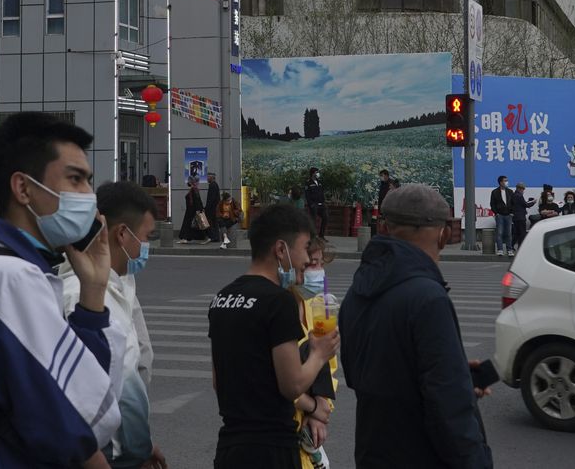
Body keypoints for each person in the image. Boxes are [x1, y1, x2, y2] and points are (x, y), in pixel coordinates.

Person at [0, 112, 125, 466]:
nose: (89, 196)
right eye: (76, 179)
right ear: (23, 188)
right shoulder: (10, 278)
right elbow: (83, 418)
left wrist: (94, 290)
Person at [339, 185, 493, 469]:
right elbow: (449, 408)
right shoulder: (428, 298)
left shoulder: (356, 292)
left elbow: (357, 372)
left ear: (383, 227)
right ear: (444, 233)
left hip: (373, 452)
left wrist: (453, 372)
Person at [208, 204, 340, 469]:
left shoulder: (222, 297)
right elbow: (291, 385)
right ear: (281, 250)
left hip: (231, 445)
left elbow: (218, 380)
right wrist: (318, 354)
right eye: (304, 249)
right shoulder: (279, 302)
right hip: (272, 447)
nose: (306, 259)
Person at [59, 181, 166, 469]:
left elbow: (140, 363)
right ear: (122, 234)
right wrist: (135, 450)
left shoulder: (123, 284)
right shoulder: (82, 295)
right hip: (104, 455)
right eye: (146, 236)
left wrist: (143, 442)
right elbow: (104, 391)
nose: (147, 246)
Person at [291, 240, 338, 469]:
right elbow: (282, 381)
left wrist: (321, 407)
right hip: (285, 427)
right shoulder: (279, 307)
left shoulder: (316, 305)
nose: (318, 271)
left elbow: (328, 366)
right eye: (311, 264)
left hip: (308, 427)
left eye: (320, 263)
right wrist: (312, 406)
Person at [489, 176, 513, 257]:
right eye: (505, 181)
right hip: (500, 215)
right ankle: (500, 250)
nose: (507, 182)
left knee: (508, 233)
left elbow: (513, 203)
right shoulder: (495, 192)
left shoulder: (510, 191)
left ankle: (509, 250)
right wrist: (496, 213)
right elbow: (492, 204)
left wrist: (512, 212)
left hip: (508, 215)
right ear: (500, 182)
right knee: (499, 233)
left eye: (507, 180)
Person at [178, 177, 204, 244]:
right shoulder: (195, 190)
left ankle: (185, 238)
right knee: (190, 224)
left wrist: (198, 210)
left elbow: (196, 201)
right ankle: (187, 237)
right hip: (192, 210)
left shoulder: (193, 190)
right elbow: (198, 201)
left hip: (191, 210)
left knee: (187, 224)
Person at [304, 169, 327, 240]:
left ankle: (321, 235)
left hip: (321, 204)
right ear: (313, 173)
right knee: (313, 220)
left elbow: (321, 192)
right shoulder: (308, 183)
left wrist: (323, 202)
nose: (318, 173)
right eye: (316, 172)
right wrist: (311, 204)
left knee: (326, 217)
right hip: (314, 204)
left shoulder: (319, 182)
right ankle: (313, 236)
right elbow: (307, 195)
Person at [511, 183, 534, 250]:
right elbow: (526, 205)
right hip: (521, 217)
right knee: (522, 233)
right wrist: (533, 202)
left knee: (516, 233)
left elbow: (519, 204)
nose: (523, 191)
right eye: (523, 189)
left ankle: (511, 246)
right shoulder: (519, 196)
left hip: (515, 217)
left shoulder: (513, 195)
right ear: (520, 189)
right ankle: (520, 247)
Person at [205, 173, 223, 244]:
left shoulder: (212, 185)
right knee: (214, 222)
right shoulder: (215, 185)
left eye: (208, 177)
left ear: (211, 178)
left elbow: (211, 198)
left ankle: (214, 237)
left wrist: (207, 207)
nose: (207, 179)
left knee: (212, 222)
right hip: (214, 208)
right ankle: (216, 237)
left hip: (212, 208)